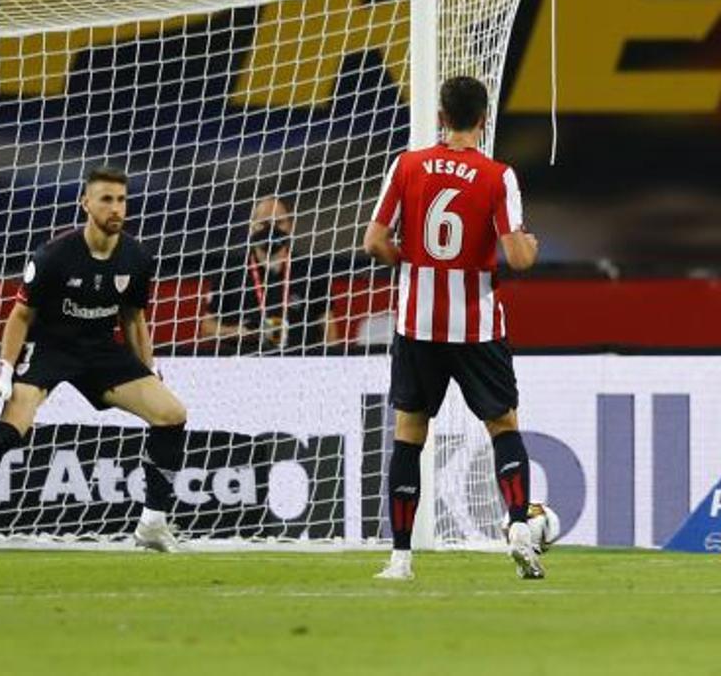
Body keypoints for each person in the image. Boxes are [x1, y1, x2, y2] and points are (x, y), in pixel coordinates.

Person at [0, 165, 187, 554]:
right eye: (106, 199)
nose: (116, 208)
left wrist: (150, 370)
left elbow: (134, 319)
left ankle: (152, 524)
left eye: (121, 200)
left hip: (100, 349)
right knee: (13, 427)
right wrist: (4, 371)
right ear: (86, 203)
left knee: (171, 414)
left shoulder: (136, 257)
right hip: (50, 346)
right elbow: (21, 316)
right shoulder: (54, 255)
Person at [361, 75, 542, 581]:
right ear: (484, 120)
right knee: (503, 426)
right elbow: (518, 256)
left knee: (409, 434)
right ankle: (519, 526)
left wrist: (410, 263)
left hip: (418, 323)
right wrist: (531, 243)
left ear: (440, 116)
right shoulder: (497, 175)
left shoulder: (408, 166)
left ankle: (400, 558)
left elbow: (374, 240)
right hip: (477, 327)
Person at [200, 196, 342, 354]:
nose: (271, 230)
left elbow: (329, 328)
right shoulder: (230, 273)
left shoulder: (310, 271)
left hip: (300, 367)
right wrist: (235, 331)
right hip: (246, 366)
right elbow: (206, 329)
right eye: (264, 224)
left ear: (290, 225)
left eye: (278, 223)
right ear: (251, 226)